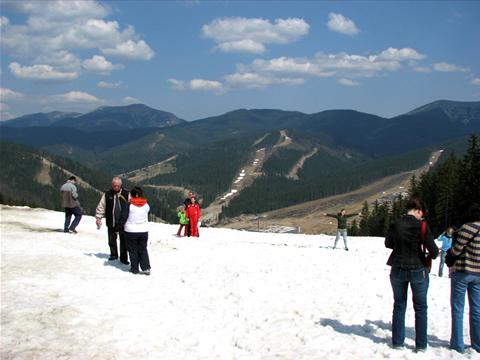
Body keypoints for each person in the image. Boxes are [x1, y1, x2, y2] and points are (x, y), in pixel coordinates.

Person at [385, 197, 438, 352]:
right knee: (420, 307)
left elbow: (388, 244)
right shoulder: (422, 226)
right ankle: (421, 345)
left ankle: (397, 343)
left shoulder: (396, 223)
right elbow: (434, 252)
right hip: (417, 269)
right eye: (422, 214)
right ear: (419, 211)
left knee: (399, 305)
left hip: (397, 267)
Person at [449, 204, 480, 354]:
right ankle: (477, 343)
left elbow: (456, 250)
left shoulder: (467, 228)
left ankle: (457, 344)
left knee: (458, 308)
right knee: (476, 309)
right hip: (479, 273)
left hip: (463, 271)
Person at [95, 177, 129, 264]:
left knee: (124, 241)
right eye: (114, 186)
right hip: (111, 220)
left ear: (121, 185)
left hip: (123, 222)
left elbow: (131, 206)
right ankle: (113, 255)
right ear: (112, 185)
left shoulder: (127, 193)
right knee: (111, 240)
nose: (116, 187)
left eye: (118, 186)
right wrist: (98, 218)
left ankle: (124, 258)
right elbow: (101, 206)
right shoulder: (107, 194)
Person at [120, 186, 151, 275]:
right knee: (143, 249)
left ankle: (134, 268)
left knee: (133, 250)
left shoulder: (129, 205)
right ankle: (146, 268)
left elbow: (123, 217)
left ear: (133, 195)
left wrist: (119, 227)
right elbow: (147, 213)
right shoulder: (146, 205)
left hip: (130, 231)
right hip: (144, 230)